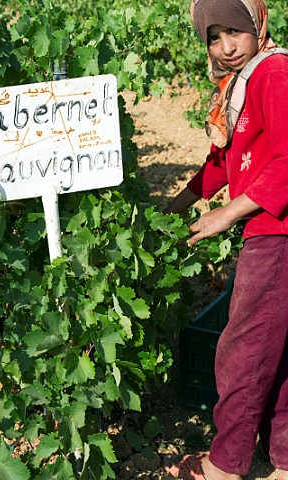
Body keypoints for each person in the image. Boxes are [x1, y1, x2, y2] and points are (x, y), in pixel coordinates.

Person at [164, 0, 288, 479]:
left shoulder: (273, 73)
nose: (225, 46)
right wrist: (177, 205)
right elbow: (225, 160)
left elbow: (284, 160)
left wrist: (224, 215)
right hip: (272, 229)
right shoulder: (244, 82)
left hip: (276, 233)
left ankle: (225, 465)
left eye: (233, 31)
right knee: (276, 346)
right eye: (213, 37)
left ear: (257, 24)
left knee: (245, 347)